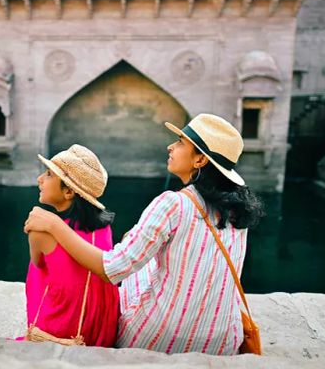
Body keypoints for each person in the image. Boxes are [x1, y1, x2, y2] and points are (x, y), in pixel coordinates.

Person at [24, 114, 265, 354]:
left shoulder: (173, 203)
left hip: (157, 338)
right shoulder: (237, 209)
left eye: (180, 142)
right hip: (222, 340)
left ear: (200, 159)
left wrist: (55, 225)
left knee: (135, 271)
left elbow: (112, 269)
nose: (171, 146)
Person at [22, 144, 119, 347]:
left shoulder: (41, 231)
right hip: (100, 326)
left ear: (68, 192)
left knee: (38, 268)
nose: (39, 179)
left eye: (48, 175)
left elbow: (38, 265)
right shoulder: (103, 227)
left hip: (65, 329)